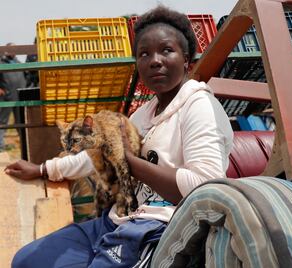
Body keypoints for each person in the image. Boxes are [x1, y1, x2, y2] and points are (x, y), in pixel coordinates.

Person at [5, 6, 234, 268]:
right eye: (144, 54)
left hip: (161, 227)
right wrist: (43, 169)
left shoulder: (199, 107)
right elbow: (95, 156)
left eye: (166, 50)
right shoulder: (143, 115)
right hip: (116, 221)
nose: (154, 60)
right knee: (27, 260)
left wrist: (128, 161)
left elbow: (205, 187)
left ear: (186, 60)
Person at [0, 42, 26, 151]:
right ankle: (0, 146)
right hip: (7, 97)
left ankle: (25, 144)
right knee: (2, 121)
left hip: (20, 97)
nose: (13, 51)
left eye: (15, 49)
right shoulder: (1, 62)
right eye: (11, 49)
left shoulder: (18, 62)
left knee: (21, 122)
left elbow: (27, 75)